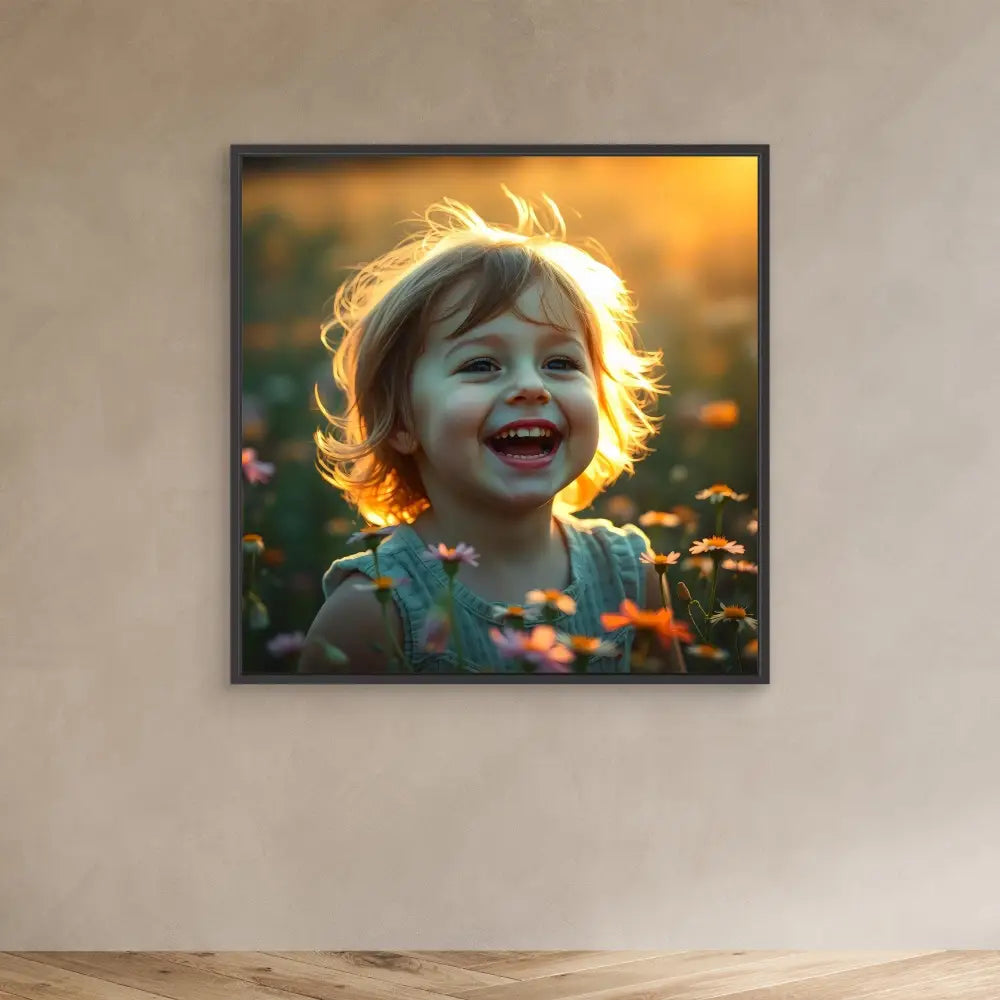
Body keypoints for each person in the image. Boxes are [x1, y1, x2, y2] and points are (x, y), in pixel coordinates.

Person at [298, 188, 686, 674]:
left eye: (560, 362)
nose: (531, 385)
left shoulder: (632, 577)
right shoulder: (373, 611)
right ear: (400, 421)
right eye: (481, 364)